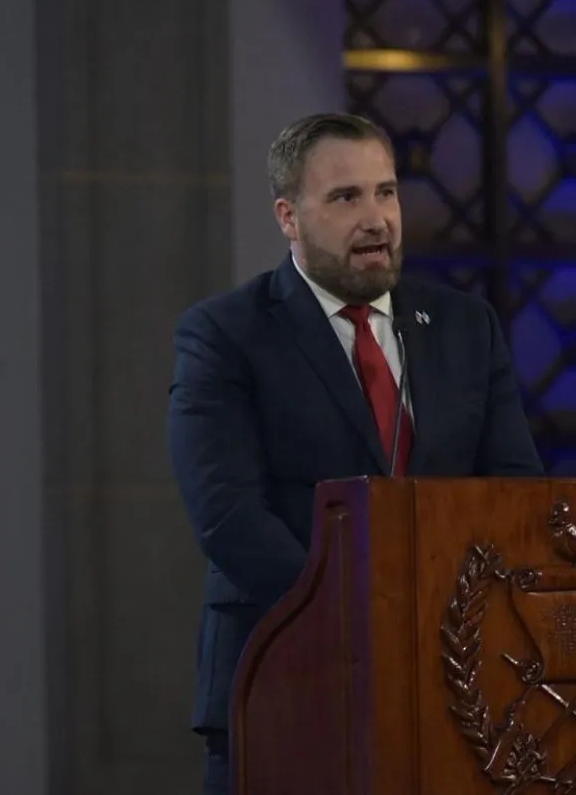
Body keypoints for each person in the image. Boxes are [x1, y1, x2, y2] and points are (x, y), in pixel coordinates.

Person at [166, 112, 543, 794]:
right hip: (283, 678)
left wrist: (450, 621)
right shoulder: (226, 334)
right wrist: (362, 619)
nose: (376, 219)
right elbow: (229, 516)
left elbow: (514, 494)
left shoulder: (465, 326)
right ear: (289, 216)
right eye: (346, 197)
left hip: (452, 686)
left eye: (386, 192)